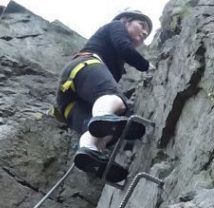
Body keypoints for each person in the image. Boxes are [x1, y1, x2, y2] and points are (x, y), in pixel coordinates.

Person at [54, 9, 153, 182]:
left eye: (147, 33)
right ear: (125, 21)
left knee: (100, 132)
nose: (144, 33)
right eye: (142, 25)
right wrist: (149, 66)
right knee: (116, 102)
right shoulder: (115, 26)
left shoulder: (114, 60)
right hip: (84, 66)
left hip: (69, 103)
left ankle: (91, 153)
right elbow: (124, 48)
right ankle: (103, 117)